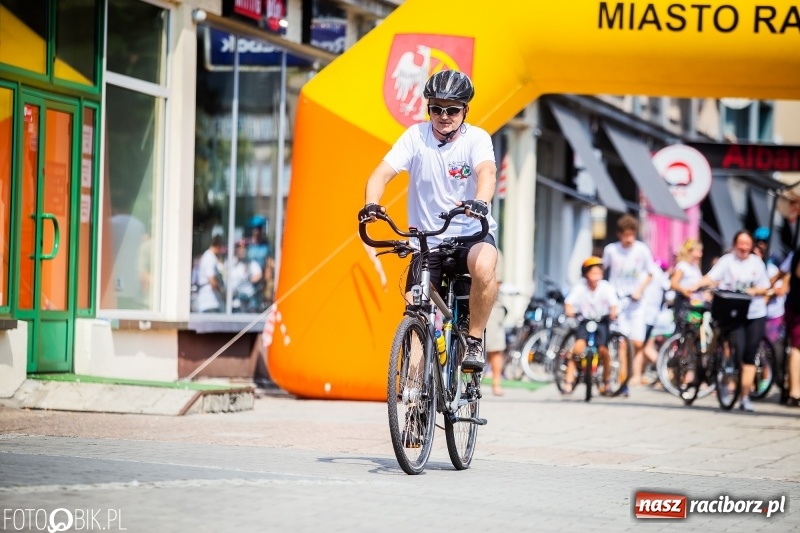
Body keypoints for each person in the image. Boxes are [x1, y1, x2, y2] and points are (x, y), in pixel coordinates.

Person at [359, 70, 498, 373]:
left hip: (470, 234)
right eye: (436, 108)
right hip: (428, 240)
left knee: (485, 266)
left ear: (465, 111)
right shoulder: (415, 136)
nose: (443, 116)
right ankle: (414, 394)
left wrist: (481, 202)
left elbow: (487, 173)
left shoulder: (476, 139)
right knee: (416, 308)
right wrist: (371, 204)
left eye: (452, 110)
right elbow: (380, 174)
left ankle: (473, 339)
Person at [692, 230, 772, 412]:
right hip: (735, 314)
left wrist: (754, 291)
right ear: (735, 244)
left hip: (755, 312)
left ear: (751, 246)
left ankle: (744, 397)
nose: (743, 247)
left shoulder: (756, 264)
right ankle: (730, 379)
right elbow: (711, 277)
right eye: (740, 243)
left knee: (750, 354)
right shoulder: (727, 261)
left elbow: (765, 288)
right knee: (738, 351)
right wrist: (695, 285)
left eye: (747, 243)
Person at [602, 214, 655, 392]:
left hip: (637, 302)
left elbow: (650, 273)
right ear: (620, 234)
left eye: (632, 234)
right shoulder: (611, 250)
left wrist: (640, 289)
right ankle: (624, 380)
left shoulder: (642, 250)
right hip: (619, 300)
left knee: (638, 343)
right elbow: (602, 269)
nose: (629, 238)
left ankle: (635, 372)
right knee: (622, 342)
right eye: (626, 235)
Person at [563, 257, 619, 395]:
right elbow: (569, 302)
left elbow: (613, 304)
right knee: (577, 348)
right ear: (586, 274)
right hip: (585, 321)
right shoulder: (580, 287)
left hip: (602, 321)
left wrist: (613, 312)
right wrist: (569, 310)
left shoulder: (606, 287)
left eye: (598, 273)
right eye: (593, 273)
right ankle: (569, 380)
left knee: (604, 351)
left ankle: (607, 381)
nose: (596, 277)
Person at [641, 259, 670, 383]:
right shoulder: (663, 277)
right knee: (647, 347)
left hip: (655, 317)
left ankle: (665, 371)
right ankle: (661, 372)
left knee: (646, 347)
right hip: (661, 316)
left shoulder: (653, 274)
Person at [486, 249, 506, 396]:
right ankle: (464, 383)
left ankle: (496, 383)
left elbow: (497, 282)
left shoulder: (494, 252)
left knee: (495, 347)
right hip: (465, 300)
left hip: (491, 304)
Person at [781, 247, 800, 407]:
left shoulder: (794, 252)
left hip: (794, 303)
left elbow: (782, 272)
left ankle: (793, 391)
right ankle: (795, 392)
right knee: (797, 347)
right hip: (797, 306)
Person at [228, 239, 264, 313]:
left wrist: (249, 280)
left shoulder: (251, 264)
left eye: (244, 248)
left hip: (249, 301)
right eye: (240, 248)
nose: (242, 250)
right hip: (235, 301)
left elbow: (259, 275)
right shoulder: (232, 265)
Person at [196, 235, 225, 313]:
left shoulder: (208, 256)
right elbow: (212, 279)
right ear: (217, 245)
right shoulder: (210, 258)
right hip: (210, 301)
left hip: (208, 301)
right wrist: (222, 292)